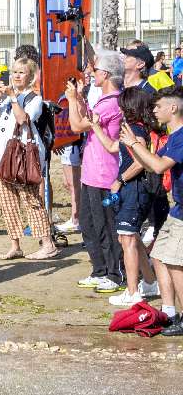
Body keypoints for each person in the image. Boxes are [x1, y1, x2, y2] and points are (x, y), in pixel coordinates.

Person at [117, 81, 183, 332]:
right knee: (158, 256)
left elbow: (156, 166)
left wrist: (135, 145)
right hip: (177, 208)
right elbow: (151, 163)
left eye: (159, 107)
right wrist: (135, 145)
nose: (154, 111)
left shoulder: (181, 137)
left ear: (174, 108)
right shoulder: (174, 136)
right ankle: (168, 312)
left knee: (176, 263)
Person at [65, 50, 128, 297]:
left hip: (105, 174)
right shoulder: (102, 99)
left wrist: (71, 100)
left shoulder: (113, 101)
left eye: (96, 70)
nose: (92, 74)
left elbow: (77, 125)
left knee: (106, 224)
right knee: (90, 224)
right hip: (91, 171)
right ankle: (99, 269)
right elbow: (88, 118)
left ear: (107, 74)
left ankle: (115, 273)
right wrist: (79, 97)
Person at [0, 55, 57, 261]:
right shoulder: (7, 97)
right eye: (14, 72)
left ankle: (47, 243)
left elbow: (23, 119)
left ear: (31, 77)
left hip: (23, 157)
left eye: (21, 72)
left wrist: (14, 98)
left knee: (31, 200)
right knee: (7, 203)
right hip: (0, 156)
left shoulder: (34, 99)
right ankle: (15, 244)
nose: (16, 76)